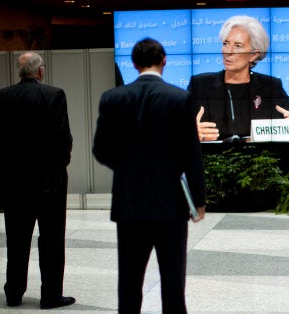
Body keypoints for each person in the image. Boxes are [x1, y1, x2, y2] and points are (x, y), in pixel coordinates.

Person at [92, 38, 206, 313]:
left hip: (128, 204)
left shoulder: (112, 98)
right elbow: (192, 154)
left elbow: (101, 150)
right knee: (173, 280)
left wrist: (128, 168)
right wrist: (199, 200)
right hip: (171, 206)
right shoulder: (180, 98)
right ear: (164, 60)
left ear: (133, 63)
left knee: (129, 281)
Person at [0, 51, 75, 309]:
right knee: (51, 241)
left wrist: (1, 183)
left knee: (16, 240)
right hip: (50, 184)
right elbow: (63, 139)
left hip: (14, 186)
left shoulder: (0, 97)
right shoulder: (54, 94)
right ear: (40, 71)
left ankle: (13, 293)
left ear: (21, 71)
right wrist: (60, 168)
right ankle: (50, 295)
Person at [187, 15, 289, 142]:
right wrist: (189, 132)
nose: (228, 51)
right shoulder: (200, 85)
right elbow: (175, 130)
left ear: (253, 55)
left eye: (238, 46)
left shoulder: (271, 86)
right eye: (225, 44)